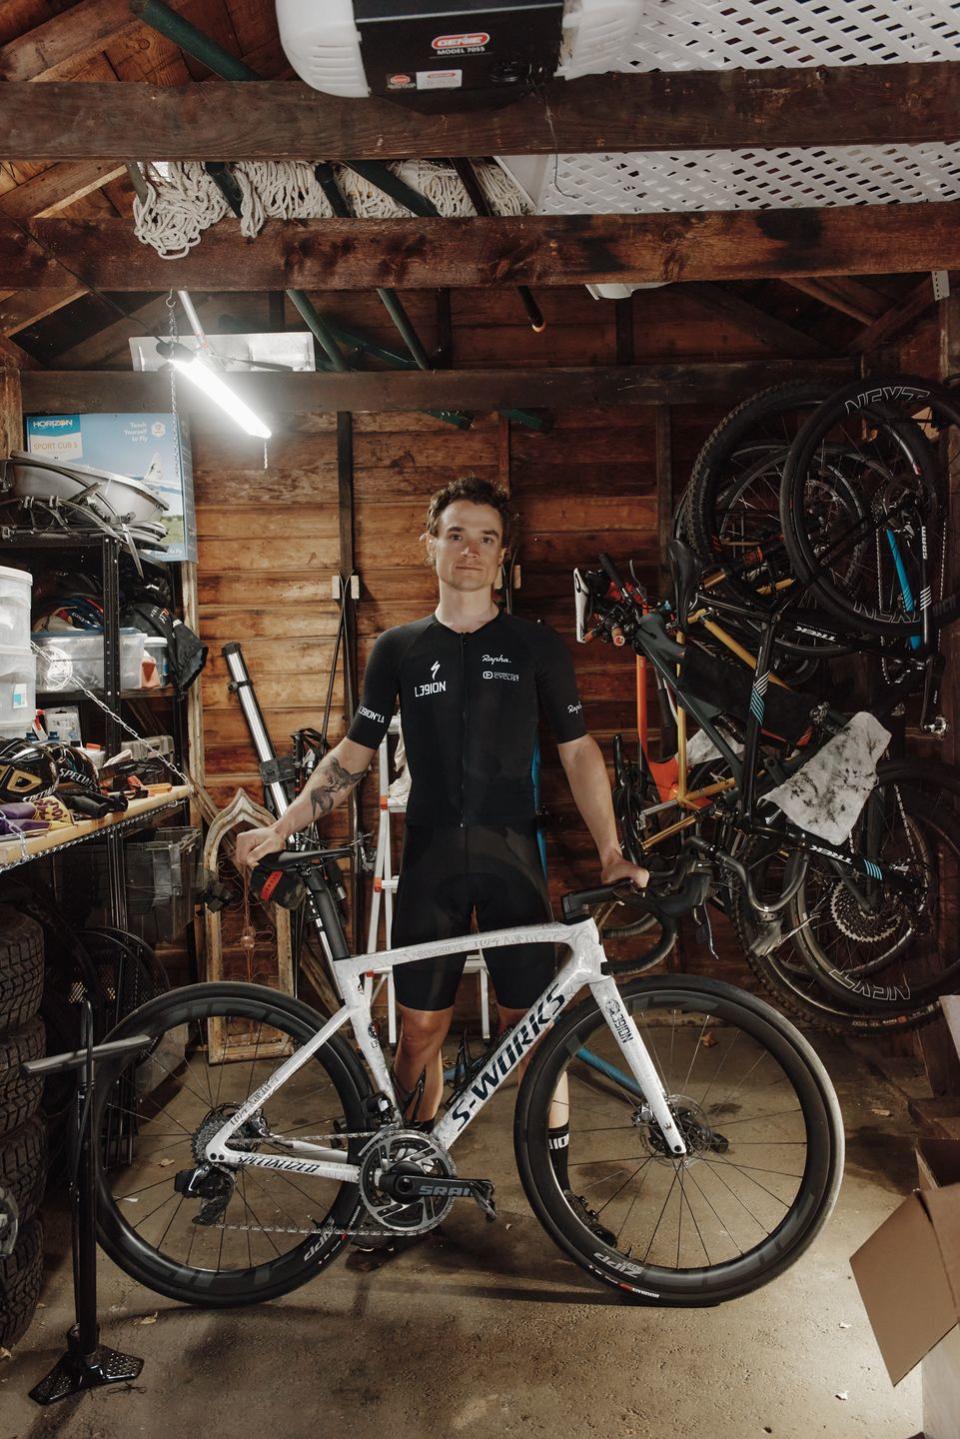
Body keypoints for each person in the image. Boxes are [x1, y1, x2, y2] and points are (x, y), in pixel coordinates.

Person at [237, 476, 648, 1243]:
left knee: (534, 1031)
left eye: (486, 538)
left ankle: (560, 1201)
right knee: (419, 1031)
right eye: (456, 533)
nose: (470, 550)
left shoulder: (533, 646)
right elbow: (354, 755)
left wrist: (613, 850)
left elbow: (579, 752)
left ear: (503, 557)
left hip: (512, 855)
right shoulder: (398, 649)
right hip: (430, 861)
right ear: (429, 543)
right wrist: (287, 822)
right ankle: (400, 1187)